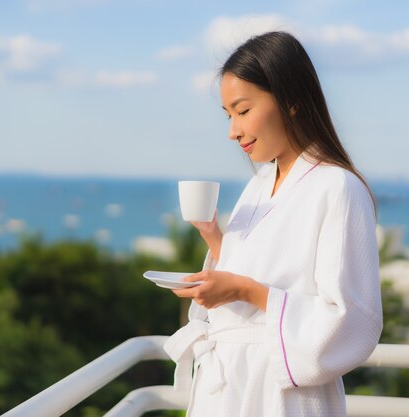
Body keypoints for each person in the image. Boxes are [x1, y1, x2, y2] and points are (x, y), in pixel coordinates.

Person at [163, 31, 383, 417]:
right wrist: (216, 241)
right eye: (228, 115)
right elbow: (268, 273)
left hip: (279, 396)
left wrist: (245, 291)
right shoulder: (259, 186)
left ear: (291, 101)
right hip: (227, 388)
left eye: (243, 111)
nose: (233, 131)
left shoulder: (337, 187)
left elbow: (353, 320)